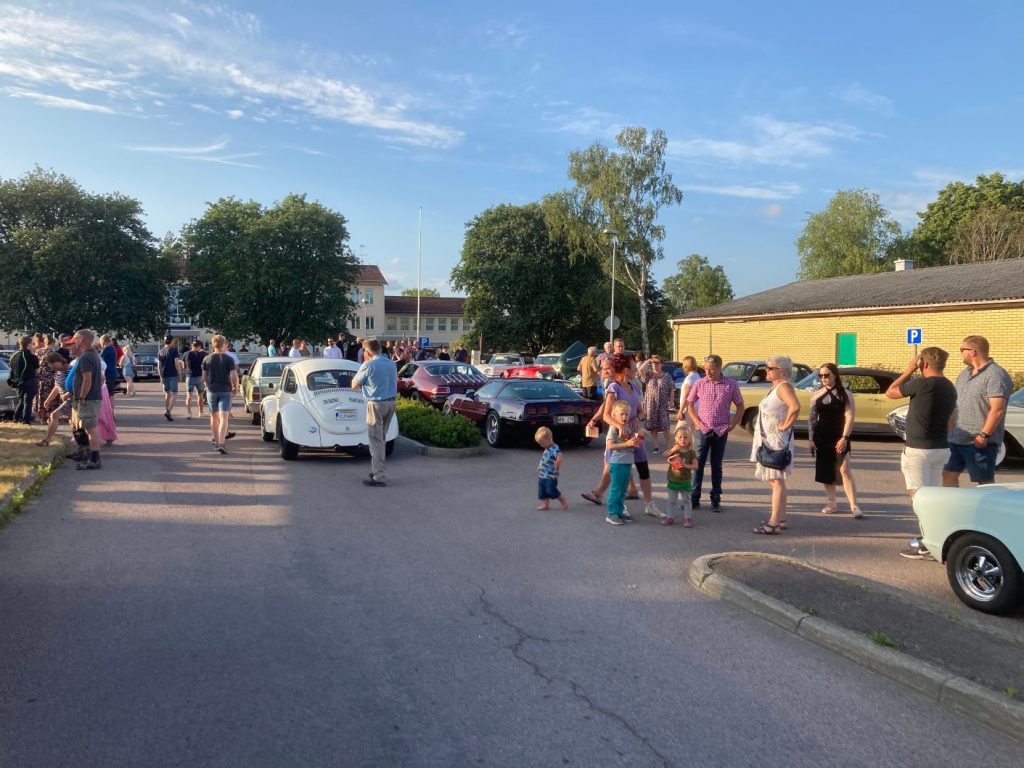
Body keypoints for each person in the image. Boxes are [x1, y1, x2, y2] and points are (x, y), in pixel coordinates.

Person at [885, 347, 958, 560]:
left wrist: (908, 371)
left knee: (919, 497)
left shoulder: (922, 383)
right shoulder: (949, 387)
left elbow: (890, 392)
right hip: (940, 447)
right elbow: (950, 420)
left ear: (923, 364)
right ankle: (938, 536)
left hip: (918, 449)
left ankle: (927, 542)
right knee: (933, 496)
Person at [943, 335, 1013, 488]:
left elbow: (997, 409)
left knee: (984, 483)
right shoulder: (964, 374)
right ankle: (953, 509)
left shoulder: (996, 375)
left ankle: (989, 510)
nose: (961, 353)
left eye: (962, 350)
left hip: (979, 442)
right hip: (957, 438)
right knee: (948, 474)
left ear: (973, 351)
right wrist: (949, 431)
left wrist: (984, 435)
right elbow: (956, 404)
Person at [686, 354, 744, 512]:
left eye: (712, 369)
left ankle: (715, 497)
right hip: (702, 429)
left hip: (721, 430)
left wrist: (733, 424)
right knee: (697, 464)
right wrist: (696, 422)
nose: (708, 373)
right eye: (705, 369)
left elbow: (740, 406)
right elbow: (689, 404)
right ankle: (694, 496)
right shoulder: (700, 383)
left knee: (717, 465)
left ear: (719, 367)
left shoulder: (731, 384)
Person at [750, 355, 800, 534]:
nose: (767, 370)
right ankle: (781, 518)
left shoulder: (784, 386)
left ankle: (773, 522)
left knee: (776, 480)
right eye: (767, 367)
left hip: (776, 440)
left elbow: (795, 407)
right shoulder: (775, 387)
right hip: (768, 438)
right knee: (776, 481)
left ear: (782, 371)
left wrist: (784, 425)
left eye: (771, 368)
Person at [808, 363, 862, 518]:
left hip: (839, 435)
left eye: (827, 375)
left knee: (844, 469)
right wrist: (811, 439)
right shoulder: (816, 394)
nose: (824, 378)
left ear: (835, 375)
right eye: (821, 376)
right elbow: (811, 418)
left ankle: (854, 505)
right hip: (821, 436)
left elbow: (849, 416)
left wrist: (845, 437)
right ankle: (832, 502)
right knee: (826, 469)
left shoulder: (845, 393)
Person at [352, 339, 398, 487]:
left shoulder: (368, 364)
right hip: (391, 403)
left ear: (366, 352)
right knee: (382, 438)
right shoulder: (391, 363)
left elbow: (354, 384)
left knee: (375, 440)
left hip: (376, 404)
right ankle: (376, 469)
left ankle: (379, 476)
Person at [70, 329, 104, 470]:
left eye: (75, 339)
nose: (74, 342)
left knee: (91, 428)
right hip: (92, 397)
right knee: (88, 428)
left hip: (88, 399)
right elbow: (101, 378)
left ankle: (95, 459)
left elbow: (87, 379)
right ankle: (90, 455)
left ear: (82, 340)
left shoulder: (86, 357)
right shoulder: (92, 354)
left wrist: (83, 396)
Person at [605, 399, 641, 526]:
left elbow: (632, 444)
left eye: (626, 414)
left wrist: (638, 439)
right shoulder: (614, 428)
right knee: (616, 489)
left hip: (627, 462)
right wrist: (626, 443)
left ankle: (619, 511)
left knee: (623, 489)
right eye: (622, 414)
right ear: (614, 415)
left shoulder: (627, 428)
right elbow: (610, 446)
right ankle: (612, 513)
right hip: (618, 463)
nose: (625, 416)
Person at [202, 334, 239, 454]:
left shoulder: (207, 359)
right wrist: (236, 387)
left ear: (213, 344)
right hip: (225, 391)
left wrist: (207, 387)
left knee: (214, 417)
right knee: (224, 417)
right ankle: (222, 443)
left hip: (212, 391)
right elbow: (234, 375)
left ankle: (217, 442)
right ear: (224, 344)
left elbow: (204, 377)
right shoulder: (229, 359)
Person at [663, 423, 698, 527]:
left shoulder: (691, 452)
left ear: (690, 439)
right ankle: (670, 517)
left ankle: (688, 518)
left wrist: (684, 464)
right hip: (673, 480)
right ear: (676, 439)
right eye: (680, 437)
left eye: (686, 437)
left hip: (685, 481)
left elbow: (696, 466)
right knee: (671, 500)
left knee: (686, 500)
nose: (683, 439)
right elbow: (664, 455)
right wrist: (673, 450)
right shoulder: (674, 450)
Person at [35, 353, 71, 447]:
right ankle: (47, 440)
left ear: (59, 361)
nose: (51, 367)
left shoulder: (69, 370)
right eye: (50, 365)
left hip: (73, 399)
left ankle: (47, 440)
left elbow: (76, 384)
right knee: (56, 416)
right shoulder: (58, 372)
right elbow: (57, 387)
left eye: (53, 364)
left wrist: (68, 394)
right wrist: (48, 399)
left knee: (55, 415)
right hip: (66, 400)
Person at [639, 355, 674, 452]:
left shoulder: (666, 376)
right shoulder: (649, 374)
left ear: (661, 364)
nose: (655, 365)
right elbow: (640, 370)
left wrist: (671, 401)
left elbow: (672, 388)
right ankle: (656, 446)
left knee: (665, 426)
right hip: (651, 403)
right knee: (653, 425)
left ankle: (669, 447)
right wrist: (648, 361)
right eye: (654, 363)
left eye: (657, 363)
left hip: (662, 404)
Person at [534, 427, 569, 511]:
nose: (541, 445)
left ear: (549, 439)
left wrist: (557, 463)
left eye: (542, 443)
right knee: (542, 491)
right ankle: (546, 504)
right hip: (542, 474)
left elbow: (560, 455)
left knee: (551, 490)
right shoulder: (547, 448)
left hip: (550, 475)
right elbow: (545, 459)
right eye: (539, 443)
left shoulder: (554, 448)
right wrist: (540, 466)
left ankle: (562, 499)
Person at [9, 334, 39, 424]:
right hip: (29, 380)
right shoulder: (32, 357)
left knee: (22, 400)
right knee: (28, 401)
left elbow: (12, 369)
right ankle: (26, 420)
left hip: (17, 381)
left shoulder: (14, 356)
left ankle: (16, 418)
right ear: (29, 344)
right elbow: (37, 370)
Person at [158, 335, 183, 421]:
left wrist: (160, 376)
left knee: (167, 394)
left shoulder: (161, 351)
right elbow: (176, 363)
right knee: (174, 394)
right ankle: (168, 411)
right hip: (173, 375)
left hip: (164, 375)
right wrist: (180, 373)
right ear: (171, 341)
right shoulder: (174, 350)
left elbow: (159, 365)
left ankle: (167, 411)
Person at [184, 341, 207, 419]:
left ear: (191, 346)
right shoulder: (202, 354)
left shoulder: (186, 354)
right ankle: (200, 412)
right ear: (199, 346)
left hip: (189, 376)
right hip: (199, 376)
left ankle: (189, 413)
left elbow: (184, 365)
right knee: (200, 395)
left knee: (189, 395)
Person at [675, 356, 701, 424]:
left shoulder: (690, 378)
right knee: (692, 432)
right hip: (696, 407)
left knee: (681, 432)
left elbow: (686, 395)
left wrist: (681, 411)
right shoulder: (697, 376)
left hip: (688, 408)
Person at [99, 335, 118, 400]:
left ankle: (109, 409)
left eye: (100, 341)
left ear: (103, 341)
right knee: (111, 393)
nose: (100, 343)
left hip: (108, 373)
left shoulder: (107, 349)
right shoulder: (112, 348)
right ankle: (111, 409)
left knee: (109, 393)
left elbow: (98, 358)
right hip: (111, 372)